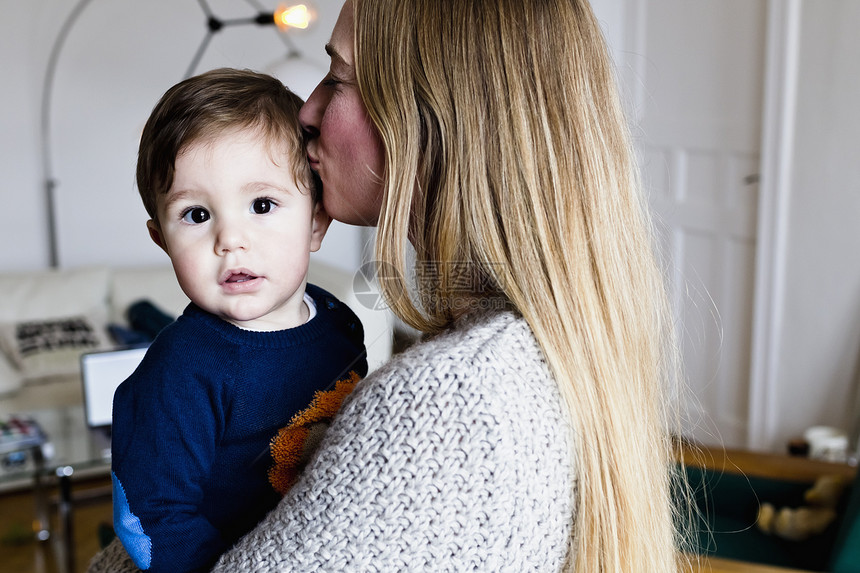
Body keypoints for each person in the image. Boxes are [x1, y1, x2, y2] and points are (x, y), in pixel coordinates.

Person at [89, 1, 687, 571]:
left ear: (435, 117)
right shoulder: (517, 348)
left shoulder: (456, 397)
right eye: (196, 214)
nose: (307, 110)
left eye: (339, 77)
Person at [108, 68, 368, 573]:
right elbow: (150, 515)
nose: (230, 239)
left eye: (262, 204)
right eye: (196, 215)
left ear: (316, 222)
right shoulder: (180, 370)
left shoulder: (341, 323)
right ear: (162, 239)